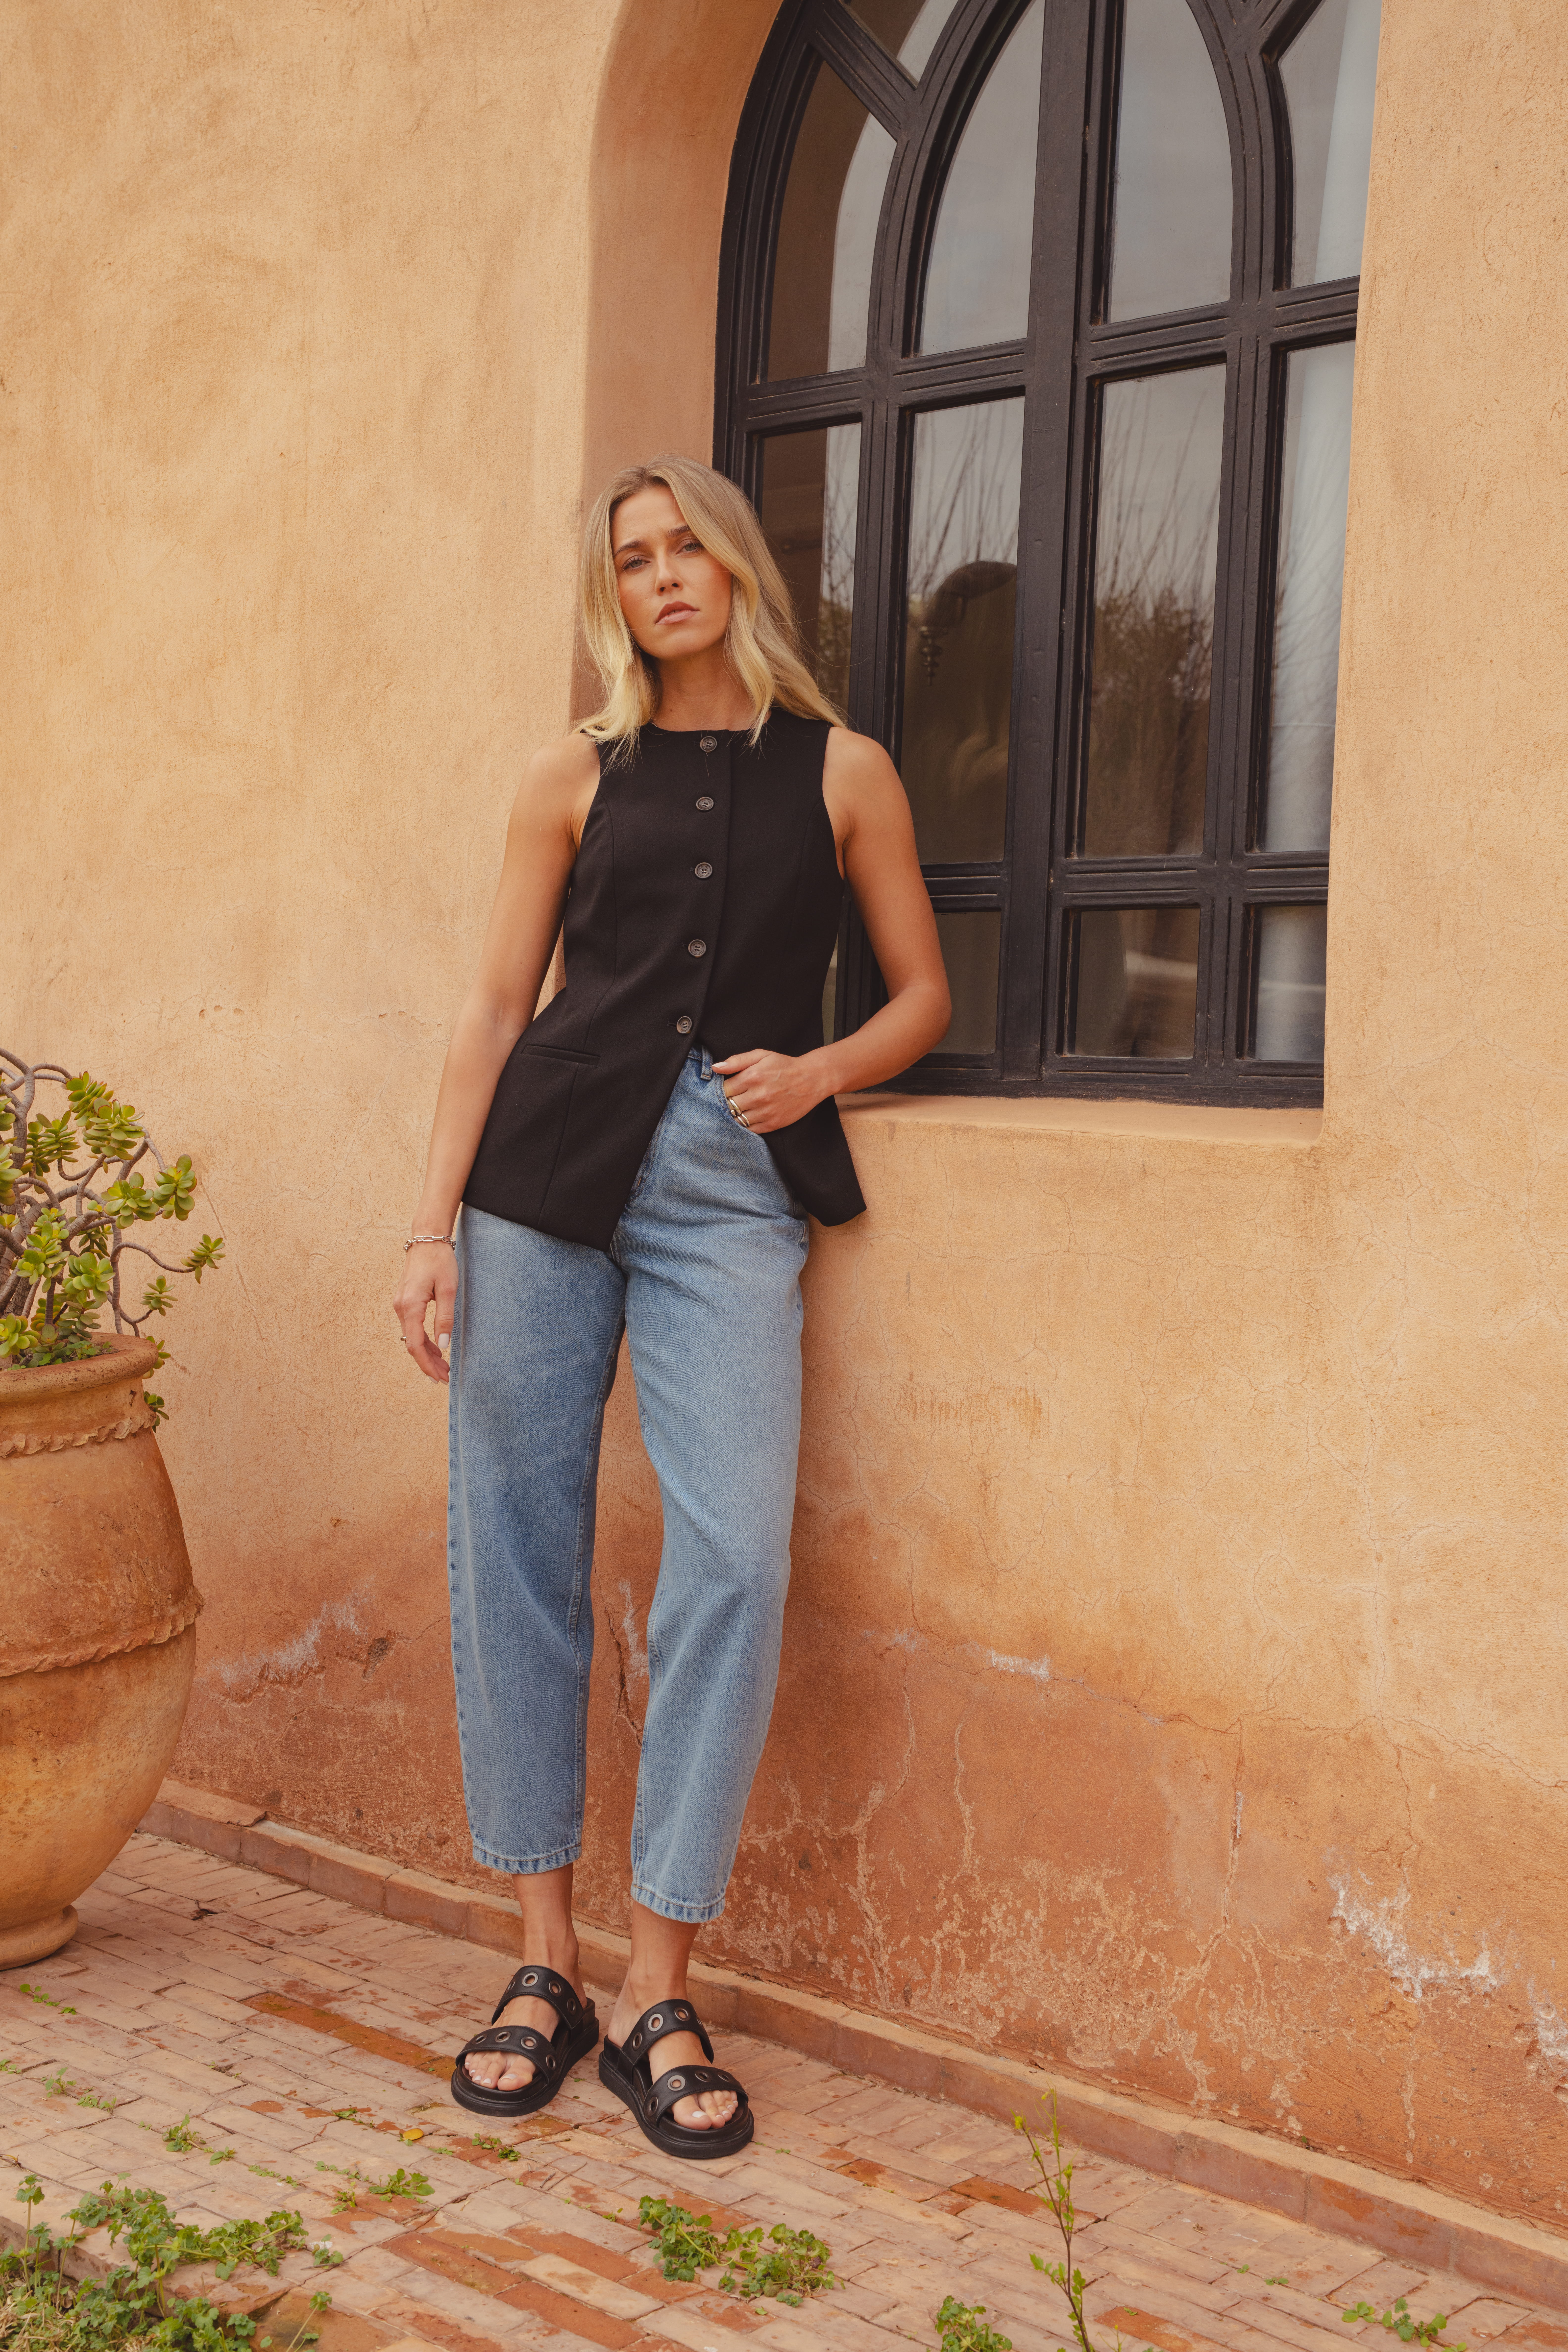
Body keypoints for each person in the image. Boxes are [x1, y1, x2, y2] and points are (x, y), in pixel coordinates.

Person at [393, 454, 949, 2161]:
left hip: (733, 1190)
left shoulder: (845, 772)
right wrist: (429, 1230)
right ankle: (541, 1965)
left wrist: (825, 1071)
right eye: (631, 561)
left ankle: (660, 1983)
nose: (662, 577)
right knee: (517, 1539)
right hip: (541, 1178)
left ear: (737, 563)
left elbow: (924, 990)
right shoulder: (571, 774)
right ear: (614, 595)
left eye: (685, 545)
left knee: (736, 1556)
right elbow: (496, 1010)